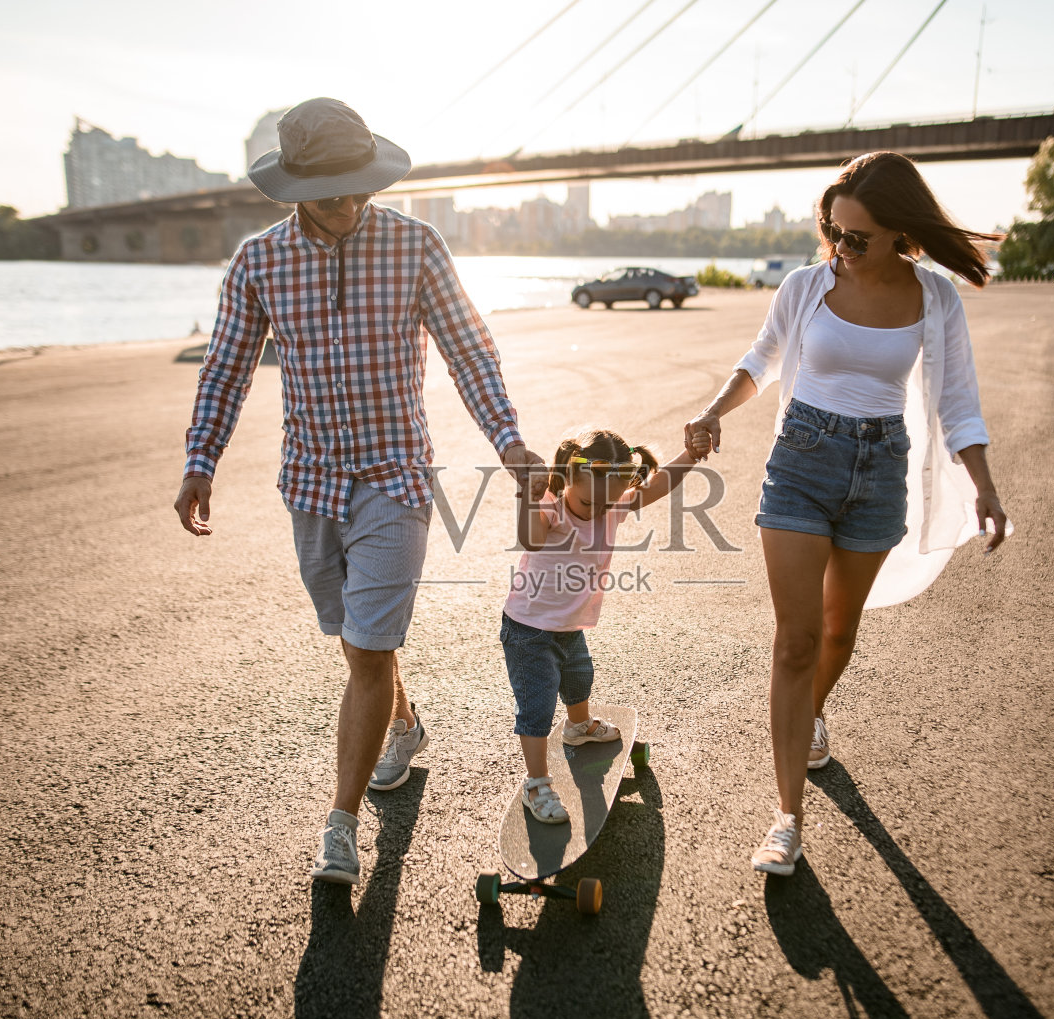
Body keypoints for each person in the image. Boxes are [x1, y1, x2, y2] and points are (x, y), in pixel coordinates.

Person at [173, 98, 545, 886]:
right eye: (332, 192)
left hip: (395, 478)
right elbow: (227, 368)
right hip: (309, 482)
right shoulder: (260, 262)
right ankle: (403, 724)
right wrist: (200, 458)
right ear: (293, 186)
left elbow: (470, 354)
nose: (348, 205)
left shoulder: (416, 247)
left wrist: (509, 442)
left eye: (359, 189)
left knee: (369, 648)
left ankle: (340, 828)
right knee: (355, 643)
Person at [683, 151, 1009, 876]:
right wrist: (711, 412)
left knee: (837, 632)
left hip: (879, 470)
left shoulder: (935, 299)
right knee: (795, 643)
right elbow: (762, 358)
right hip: (800, 461)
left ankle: (808, 714)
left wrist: (984, 484)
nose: (842, 249)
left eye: (858, 238)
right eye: (835, 231)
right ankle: (787, 818)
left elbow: (958, 399)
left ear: (902, 234)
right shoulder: (806, 286)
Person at [502, 428, 708, 822]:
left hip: (569, 625)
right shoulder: (549, 506)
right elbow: (530, 541)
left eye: (607, 502)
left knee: (579, 677)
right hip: (529, 629)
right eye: (588, 500)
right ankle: (537, 784)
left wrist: (689, 455)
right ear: (568, 476)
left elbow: (658, 485)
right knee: (537, 707)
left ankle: (578, 727)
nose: (597, 509)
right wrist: (527, 496)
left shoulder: (609, 504)